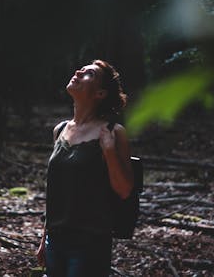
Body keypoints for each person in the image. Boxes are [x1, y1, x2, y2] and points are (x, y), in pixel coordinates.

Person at [36, 59, 134, 277]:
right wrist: (44, 239)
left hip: (89, 244)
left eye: (89, 73)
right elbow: (57, 192)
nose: (79, 72)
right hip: (56, 240)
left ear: (100, 93)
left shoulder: (113, 132)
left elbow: (125, 189)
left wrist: (108, 151)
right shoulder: (60, 130)